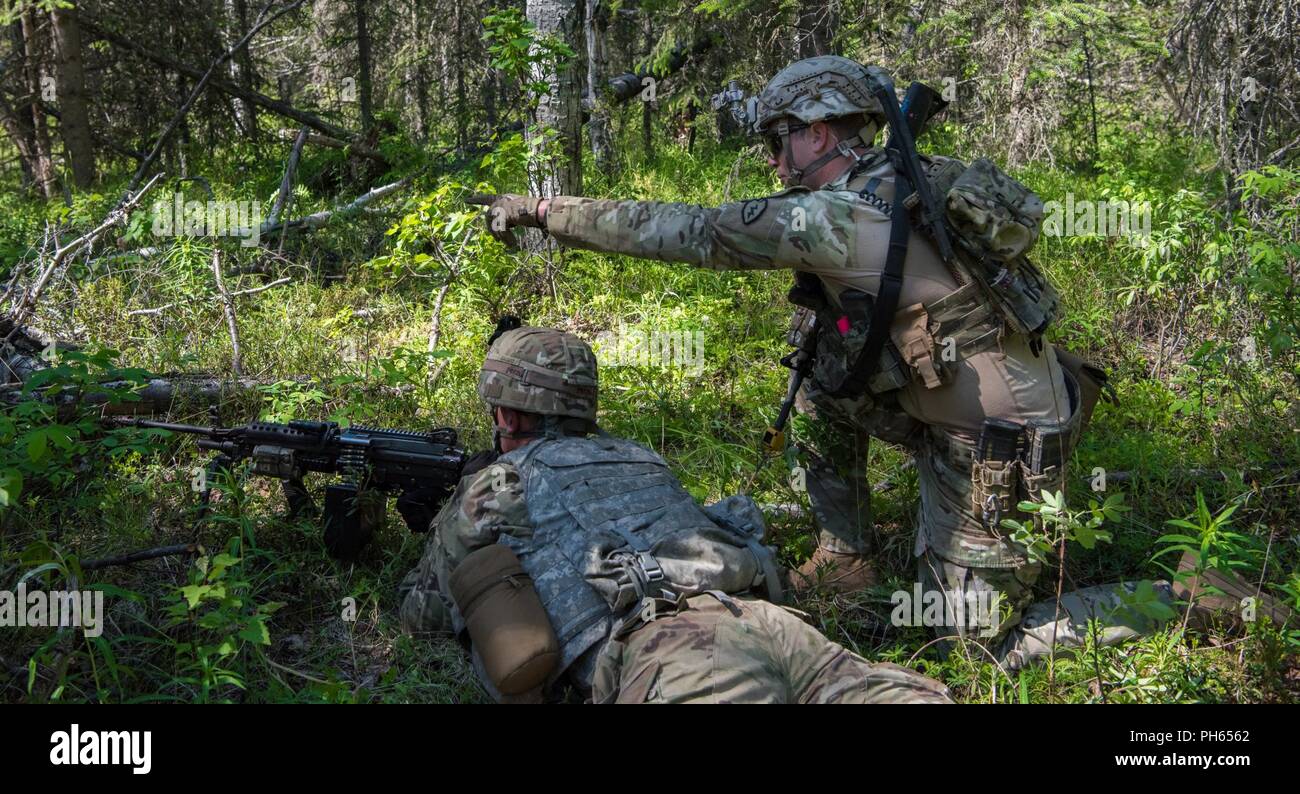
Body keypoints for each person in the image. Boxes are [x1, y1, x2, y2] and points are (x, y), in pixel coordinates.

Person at [469, 57, 1172, 670]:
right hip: (967, 405)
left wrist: (540, 211)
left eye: (779, 143)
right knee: (820, 378)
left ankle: (1184, 597)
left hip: (1000, 449)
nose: (774, 162)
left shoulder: (831, 219)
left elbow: (676, 228)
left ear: (820, 133)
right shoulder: (912, 176)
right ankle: (848, 550)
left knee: (978, 649)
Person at [398, 325, 952, 703]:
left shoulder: (498, 483)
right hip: (768, 622)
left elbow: (421, 615)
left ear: (507, 414)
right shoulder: (639, 454)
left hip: (675, 651)